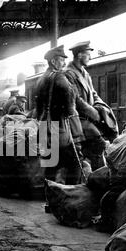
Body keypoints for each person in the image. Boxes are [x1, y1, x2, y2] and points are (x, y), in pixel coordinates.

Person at [35, 45, 85, 185]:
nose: (64, 64)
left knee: (50, 167)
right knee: (75, 163)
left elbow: (38, 109)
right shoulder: (59, 77)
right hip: (59, 130)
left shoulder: (41, 80)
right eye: (62, 60)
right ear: (53, 62)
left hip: (44, 128)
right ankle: (70, 195)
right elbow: (70, 106)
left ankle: (50, 199)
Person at [65, 41, 109, 171]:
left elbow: (93, 93)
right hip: (78, 119)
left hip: (88, 118)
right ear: (79, 55)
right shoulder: (69, 74)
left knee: (101, 143)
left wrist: (102, 107)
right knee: (99, 143)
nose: (90, 57)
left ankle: (93, 174)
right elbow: (76, 99)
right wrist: (94, 112)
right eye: (88, 54)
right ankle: (95, 176)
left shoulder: (84, 73)